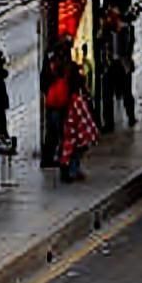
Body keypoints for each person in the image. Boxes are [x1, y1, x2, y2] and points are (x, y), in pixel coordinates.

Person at [57, 56, 97, 183]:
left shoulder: (62, 77)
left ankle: (69, 168)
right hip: (71, 116)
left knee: (70, 145)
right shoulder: (75, 88)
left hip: (65, 115)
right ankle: (71, 170)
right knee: (75, 146)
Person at [100, 7, 137, 130]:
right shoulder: (106, 31)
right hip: (110, 65)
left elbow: (129, 46)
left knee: (127, 92)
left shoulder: (125, 29)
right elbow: (101, 43)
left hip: (123, 64)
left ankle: (131, 117)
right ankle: (109, 123)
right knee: (107, 94)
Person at [40, 43, 71, 171]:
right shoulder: (58, 57)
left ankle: (50, 157)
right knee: (59, 131)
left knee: (53, 132)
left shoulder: (51, 55)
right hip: (58, 100)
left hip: (53, 100)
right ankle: (59, 158)